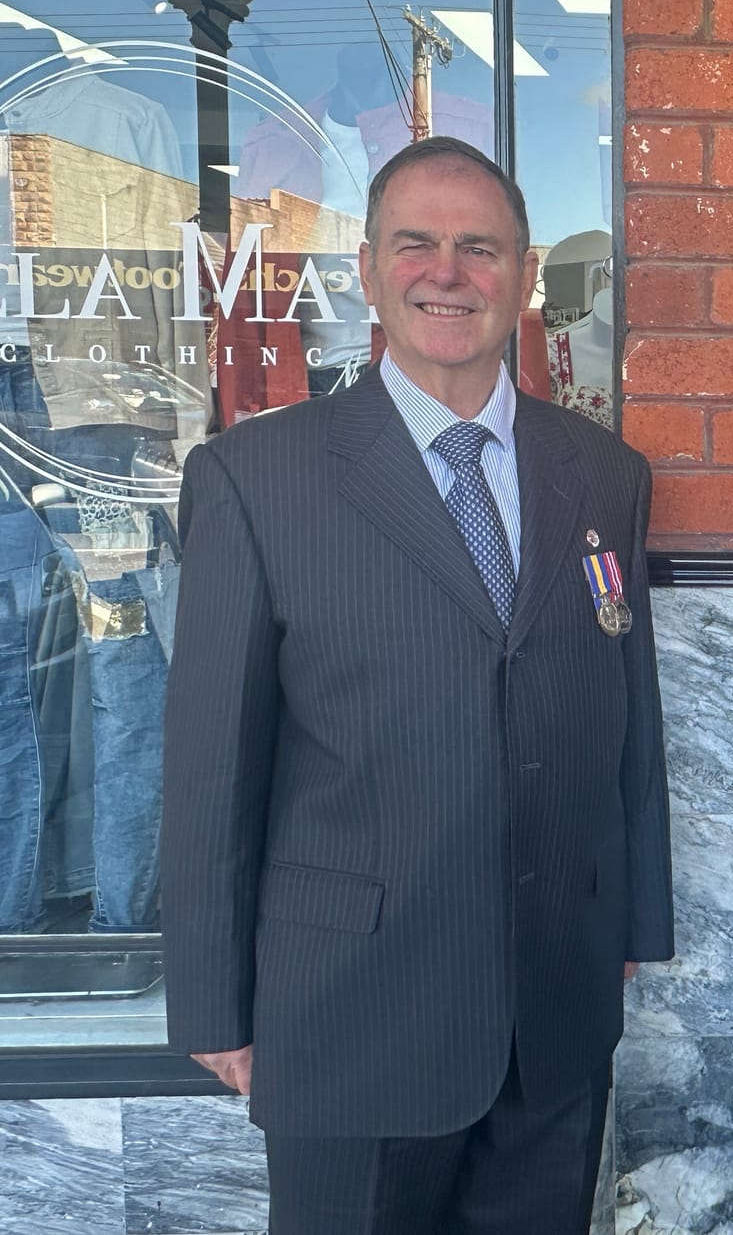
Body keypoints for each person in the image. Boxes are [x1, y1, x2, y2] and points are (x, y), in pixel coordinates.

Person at [160, 137, 673, 1235]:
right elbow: (211, 764)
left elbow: (628, 718)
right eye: (418, 244)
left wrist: (632, 921)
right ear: (366, 269)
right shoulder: (257, 479)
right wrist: (212, 998)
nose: (449, 273)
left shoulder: (604, 475)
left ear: (524, 274)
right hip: (351, 1015)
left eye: (480, 248)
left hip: (553, 1012)